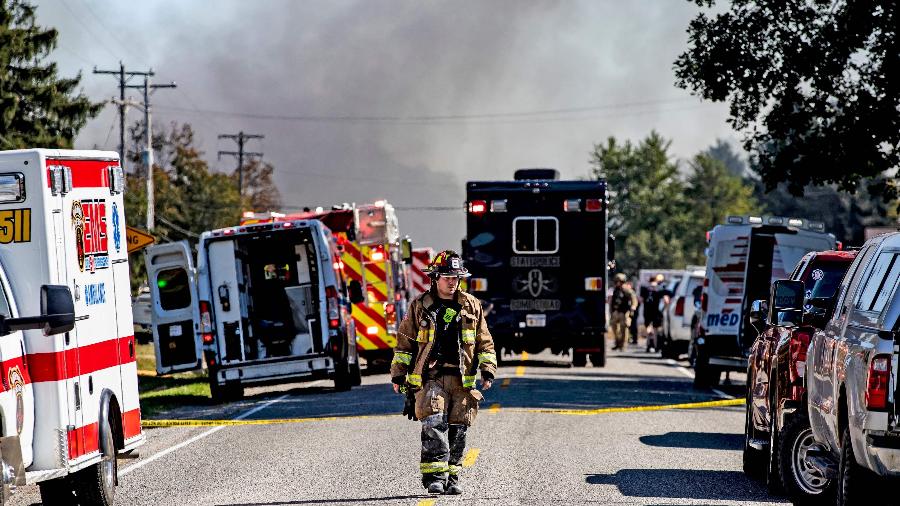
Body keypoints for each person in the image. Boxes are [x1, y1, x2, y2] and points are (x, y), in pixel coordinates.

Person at [390, 250, 497, 495]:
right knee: (434, 423)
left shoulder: (471, 305)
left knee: (458, 429)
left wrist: (487, 370)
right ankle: (434, 478)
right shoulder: (419, 306)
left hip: (462, 379)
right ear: (435, 277)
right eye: (447, 276)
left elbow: (484, 342)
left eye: (456, 277)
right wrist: (398, 375)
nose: (453, 281)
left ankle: (452, 477)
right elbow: (405, 343)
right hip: (431, 378)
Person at [641, 274, 671, 352]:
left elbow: (640, 300)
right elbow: (666, 300)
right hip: (656, 311)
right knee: (656, 329)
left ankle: (648, 344)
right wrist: (664, 309)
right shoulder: (659, 288)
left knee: (648, 327)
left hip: (647, 310)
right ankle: (655, 346)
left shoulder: (645, 288)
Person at [609, 273, 637, 350]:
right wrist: (611, 310)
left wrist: (633, 306)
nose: (618, 283)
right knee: (614, 327)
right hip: (616, 312)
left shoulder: (627, 290)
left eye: (619, 281)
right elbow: (612, 301)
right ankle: (617, 342)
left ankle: (623, 344)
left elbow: (634, 299)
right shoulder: (615, 290)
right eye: (617, 281)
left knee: (624, 328)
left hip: (624, 312)